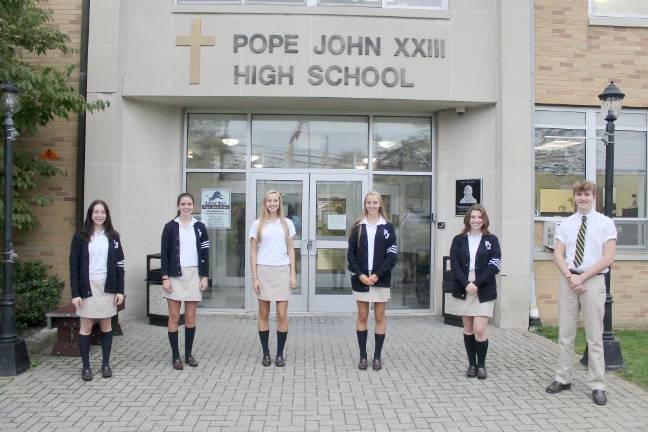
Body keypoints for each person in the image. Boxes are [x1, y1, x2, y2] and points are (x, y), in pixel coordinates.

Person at [545, 180, 616, 406]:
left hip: (592, 281)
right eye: (579, 194)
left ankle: (597, 385)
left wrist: (582, 277)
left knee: (595, 336)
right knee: (565, 334)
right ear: (573, 197)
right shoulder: (565, 224)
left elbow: (608, 257)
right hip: (569, 279)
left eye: (586, 194)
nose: (583, 198)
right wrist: (570, 277)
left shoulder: (606, 223)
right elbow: (558, 254)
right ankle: (563, 378)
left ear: (593, 196)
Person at [69, 200, 125, 381]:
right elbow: (74, 267)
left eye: (103, 212)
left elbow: (120, 265)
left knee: (106, 325)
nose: (99, 215)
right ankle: (86, 367)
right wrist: (75, 293)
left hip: (107, 286)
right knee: (85, 327)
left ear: (107, 215)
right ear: (90, 214)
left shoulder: (114, 236)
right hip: (87, 286)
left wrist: (120, 290)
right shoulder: (80, 237)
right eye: (96, 212)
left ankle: (105, 364)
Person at [448, 204, 501, 380]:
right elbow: (454, 264)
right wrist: (466, 283)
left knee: (480, 329)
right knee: (468, 327)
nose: (476, 220)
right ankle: (471, 364)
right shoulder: (459, 239)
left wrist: (476, 283)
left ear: (484, 219)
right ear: (468, 219)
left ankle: (482, 365)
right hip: (464, 285)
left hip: (483, 286)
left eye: (479, 217)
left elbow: (495, 264)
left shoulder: (491, 240)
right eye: (473, 217)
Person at [347, 191, 397, 371]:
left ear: (380, 204)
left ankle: (377, 356)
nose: (372, 206)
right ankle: (362, 356)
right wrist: (360, 274)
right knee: (362, 316)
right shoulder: (357, 227)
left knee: (379, 317)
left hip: (380, 278)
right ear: (365, 204)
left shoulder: (388, 227)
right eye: (369, 202)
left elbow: (392, 256)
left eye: (375, 202)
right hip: (361, 278)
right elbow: (350, 255)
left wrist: (377, 275)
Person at [160, 192, 210, 370]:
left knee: (190, 317)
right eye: (183, 204)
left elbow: (205, 254)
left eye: (189, 204)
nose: (186, 207)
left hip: (194, 275)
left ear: (193, 206)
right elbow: (164, 254)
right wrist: (165, 277)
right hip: (175, 275)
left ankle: (188, 354)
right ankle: (175, 356)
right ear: (178, 206)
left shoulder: (200, 227)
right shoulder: (170, 227)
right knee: (174, 317)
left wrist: (204, 276)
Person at [250, 190, 297, 367]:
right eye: (269, 200)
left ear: (280, 203)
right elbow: (253, 251)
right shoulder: (257, 224)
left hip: (282, 271)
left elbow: (291, 249)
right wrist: (254, 277)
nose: (272, 203)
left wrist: (293, 273)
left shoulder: (288, 224)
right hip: (263, 271)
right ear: (265, 203)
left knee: (282, 314)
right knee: (263, 313)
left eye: (275, 200)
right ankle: (266, 353)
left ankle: (279, 354)